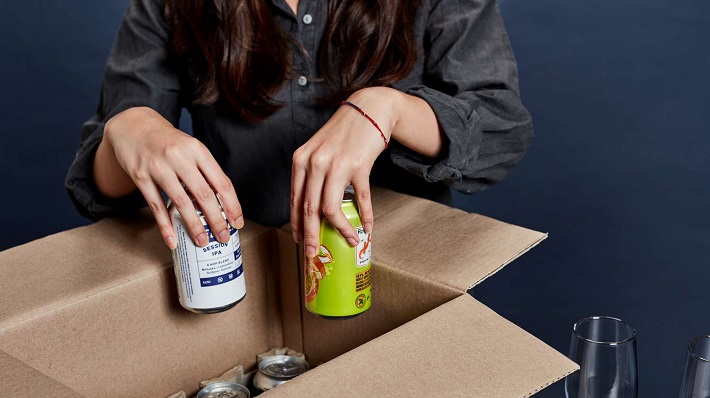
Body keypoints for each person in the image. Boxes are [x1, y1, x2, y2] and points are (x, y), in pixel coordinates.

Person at [66, 0, 533, 258]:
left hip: (411, 285)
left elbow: (502, 133)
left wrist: (390, 109)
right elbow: (100, 190)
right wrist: (127, 130)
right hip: (247, 290)